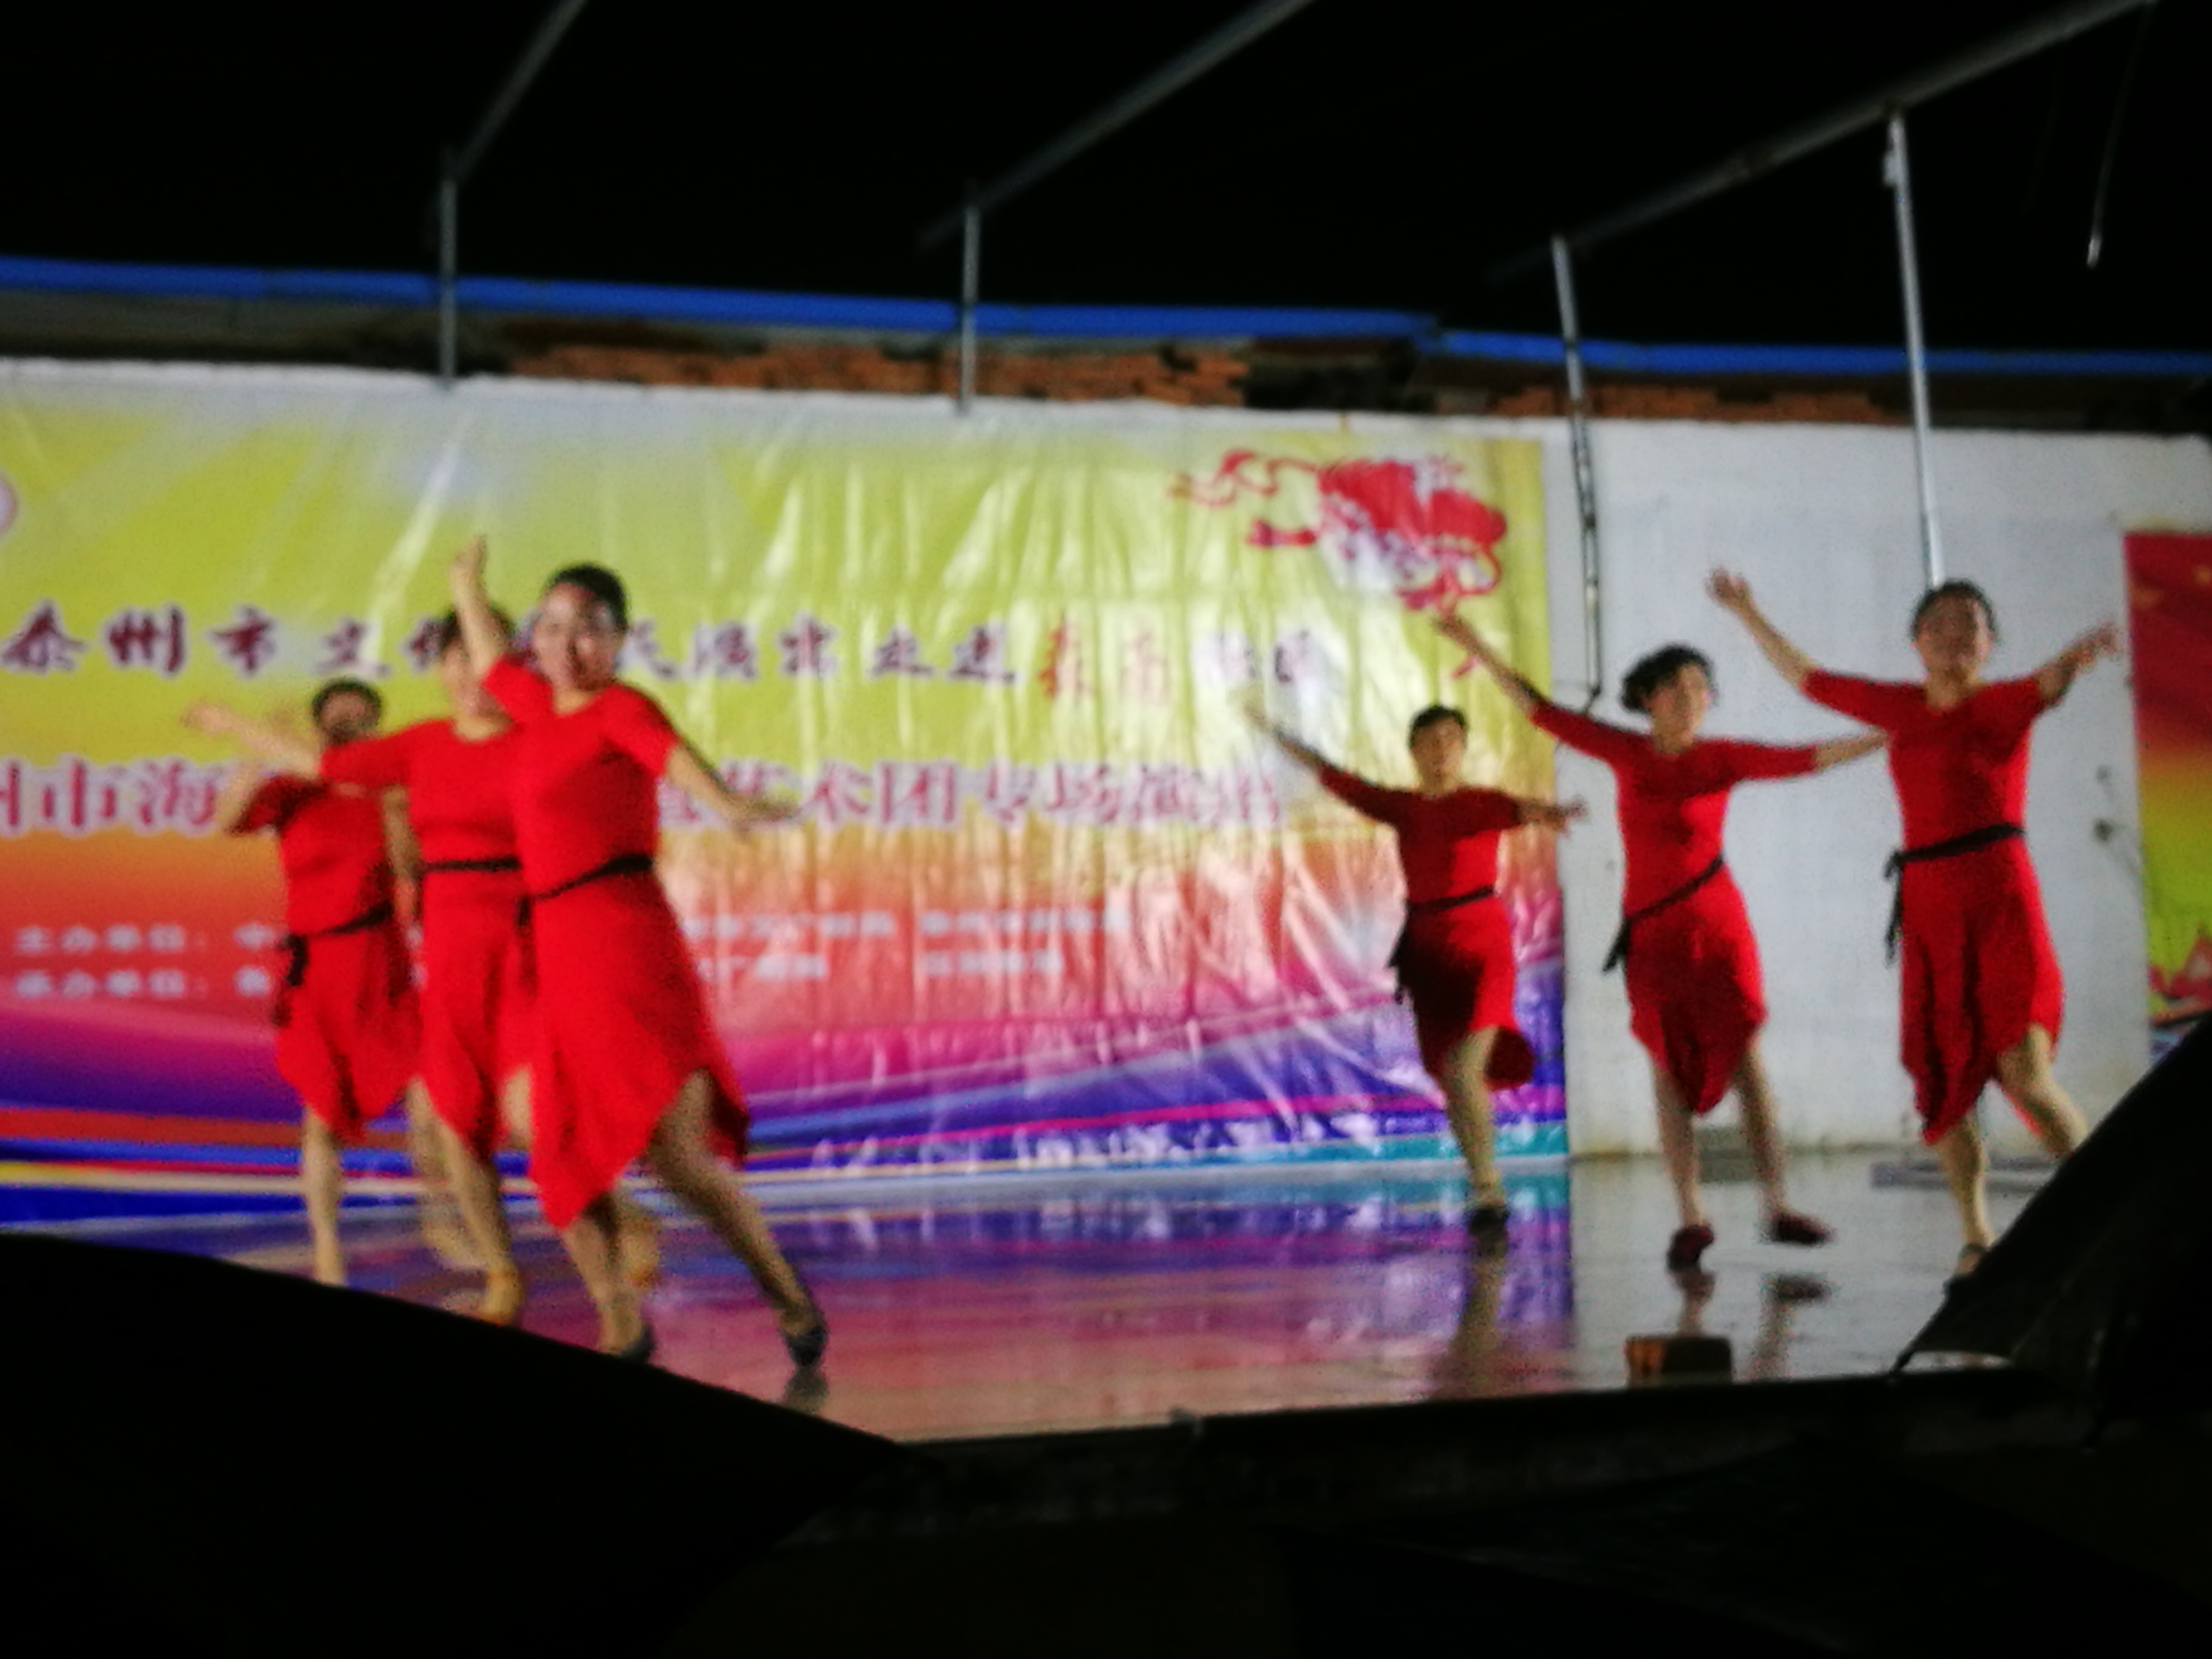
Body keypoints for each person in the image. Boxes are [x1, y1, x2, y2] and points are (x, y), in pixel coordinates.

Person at [448, 537, 826, 1364]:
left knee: (676, 1156)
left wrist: (728, 804)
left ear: (618, 638)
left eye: (587, 627)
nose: (566, 643)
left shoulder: (622, 709)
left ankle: (783, 1288)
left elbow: (673, 760)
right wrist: (466, 585)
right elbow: (489, 659)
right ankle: (618, 1318)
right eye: (551, 627)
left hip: (620, 939)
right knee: (548, 1137)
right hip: (547, 946)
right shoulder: (534, 705)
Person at [1710, 569, 2122, 1280]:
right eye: (1938, 623)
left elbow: (2048, 681)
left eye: (1970, 624)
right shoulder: (1897, 707)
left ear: (1988, 643)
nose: (1953, 634)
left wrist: (2074, 658)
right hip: (1929, 906)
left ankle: (2108, 1217)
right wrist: (1748, 611)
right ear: (1915, 642)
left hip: (1999, 899)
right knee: (1941, 1082)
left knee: (2024, 1074)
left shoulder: (2000, 703)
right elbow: (1807, 678)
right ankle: (1975, 1236)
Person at [1439, 612, 1883, 1269]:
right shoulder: (1626, 752)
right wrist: (1478, 643)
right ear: (1647, 698)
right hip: (1653, 937)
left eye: (1700, 687)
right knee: (1666, 1070)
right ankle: (1690, 1216)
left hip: (1719, 928)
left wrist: (1885, 736)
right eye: (1675, 687)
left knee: (1746, 1062)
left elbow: (1803, 760)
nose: (1690, 697)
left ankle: (1776, 1205)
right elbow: (1539, 710)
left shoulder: (1720, 757)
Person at [1245, 692, 1583, 1245]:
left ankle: (1490, 1188)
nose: (1441, 749)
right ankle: (1481, 1181)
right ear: (1413, 751)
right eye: (1430, 741)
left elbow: (1526, 810)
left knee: (1465, 1070)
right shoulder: (1402, 807)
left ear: (1464, 748)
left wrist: (1552, 814)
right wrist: (1273, 731)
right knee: (1450, 1078)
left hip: (1482, 947)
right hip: (1428, 951)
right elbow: (1336, 777)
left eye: (1451, 740)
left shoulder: (1483, 803)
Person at [192, 680, 437, 1287]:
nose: (351, 721)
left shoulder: (391, 791)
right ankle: (327, 1247)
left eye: (364, 714)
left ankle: (443, 1217)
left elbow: (410, 868)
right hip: (318, 970)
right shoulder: (291, 789)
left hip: (380, 964)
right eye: (338, 713)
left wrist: (393, 807)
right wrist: (257, 746)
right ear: (319, 724)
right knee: (321, 1116)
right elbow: (226, 820)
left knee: (431, 1105)